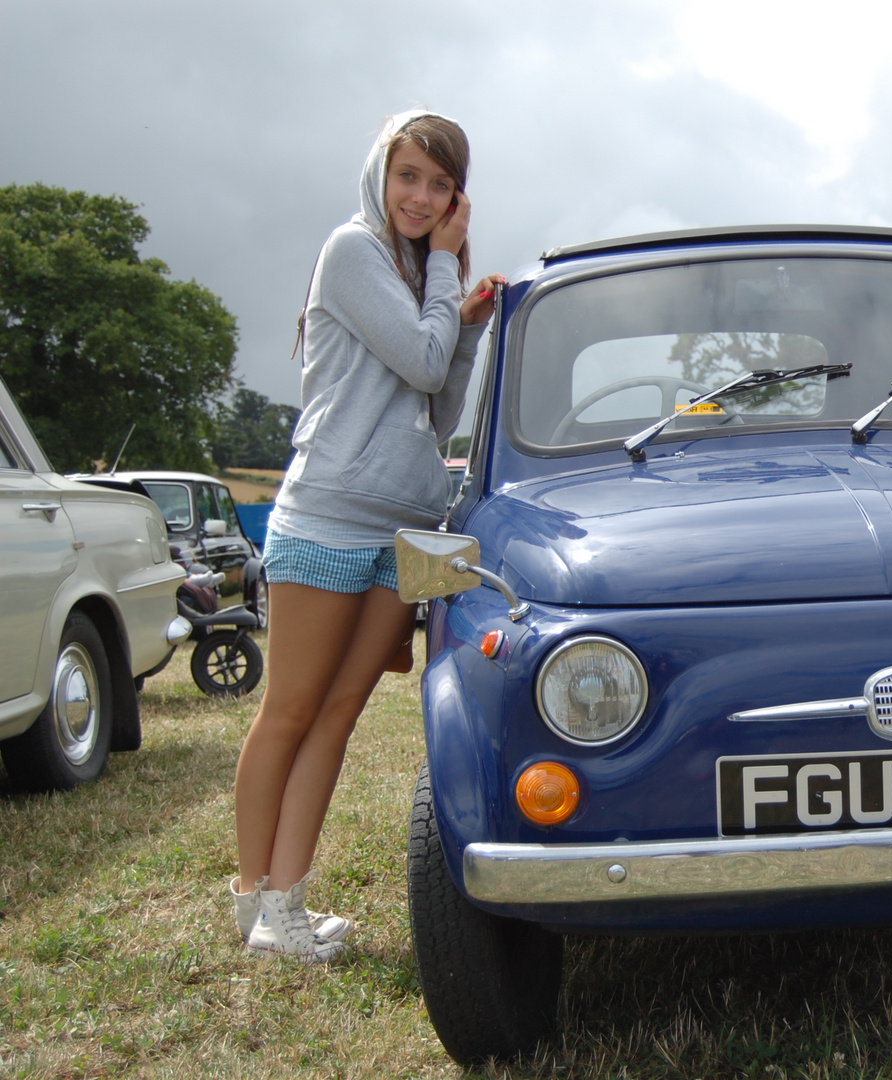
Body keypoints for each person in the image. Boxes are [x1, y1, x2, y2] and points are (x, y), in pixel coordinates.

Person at [229, 110, 503, 961]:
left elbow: (438, 403)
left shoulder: (421, 271)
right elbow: (419, 360)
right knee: (289, 712)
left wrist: (467, 326)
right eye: (408, 177)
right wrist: (450, 279)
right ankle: (254, 904)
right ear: (380, 173)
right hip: (325, 519)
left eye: (440, 185)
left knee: (341, 713)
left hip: (407, 527)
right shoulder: (352, 251)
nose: (421, 197)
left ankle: (290, 904)